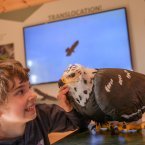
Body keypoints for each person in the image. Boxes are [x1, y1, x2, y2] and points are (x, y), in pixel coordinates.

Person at [0, 59, 85, 145]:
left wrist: (69, 109)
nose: (33, 95)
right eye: (20, 91)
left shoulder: (42, 115)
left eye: (29, 87)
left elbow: (79, 123)